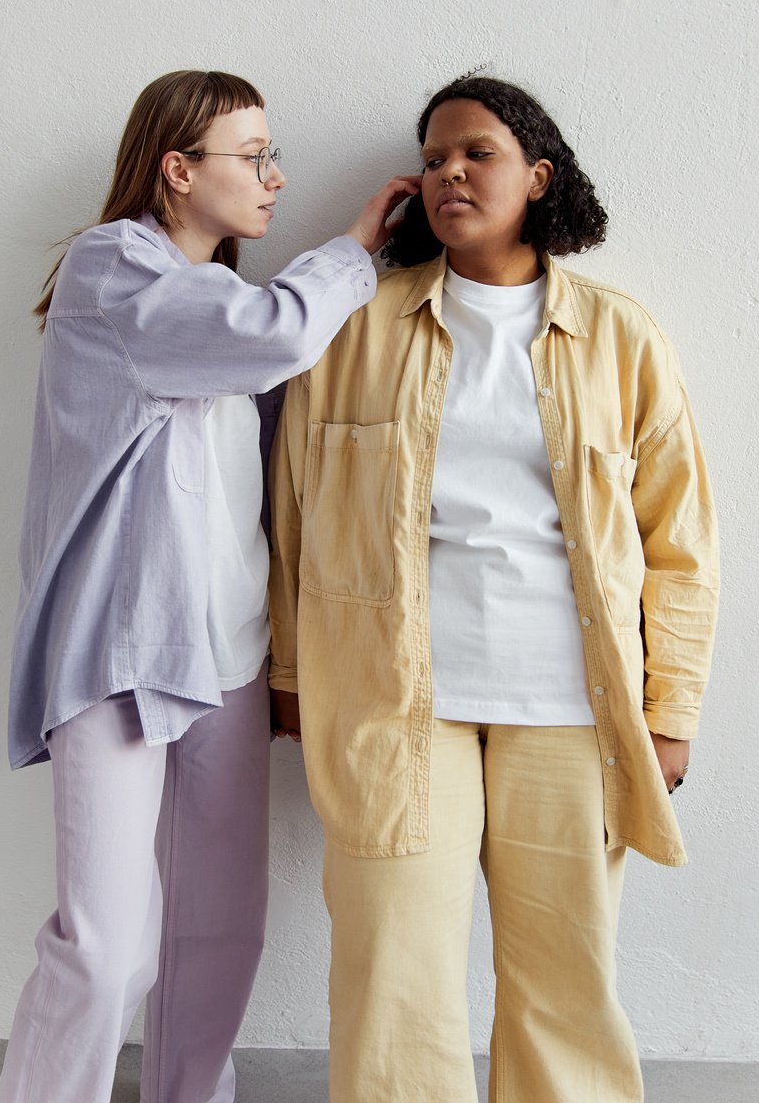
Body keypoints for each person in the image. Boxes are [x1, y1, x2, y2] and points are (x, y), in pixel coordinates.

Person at [269, 74, 719, 1103]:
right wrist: (288, 670)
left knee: (564, 981)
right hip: (389, 701)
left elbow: (678, 540)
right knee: (390, 975)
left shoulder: (618, 335)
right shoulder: (356, 330)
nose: (448, 174)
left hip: (572, 703)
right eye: (430, 160)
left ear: (538, 176)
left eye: (475, 153)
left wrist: (671, 706)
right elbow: (292, 512)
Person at [0, 68, 420, 1103]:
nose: (274, 177)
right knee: (106, 949)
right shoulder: (115, 271)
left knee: (218, 928)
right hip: (119, 650)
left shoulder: (218, 295)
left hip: (225, 652)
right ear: (178, 170)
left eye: (275, 156)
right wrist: (355, 251)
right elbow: (266, 337)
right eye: (253, 156)